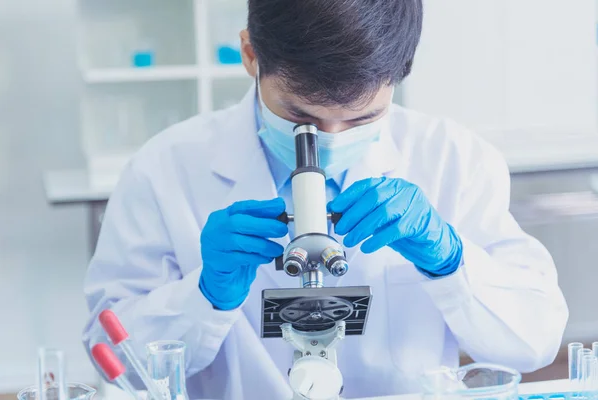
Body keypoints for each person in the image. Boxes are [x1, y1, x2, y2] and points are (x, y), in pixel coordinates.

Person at [82, 0, 568, 398]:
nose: (328, 138)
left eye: (361, 120)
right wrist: (205, 295)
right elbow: (114, 361)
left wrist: (450, 260)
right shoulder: (164, 170)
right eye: (300, 116)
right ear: (251, 54)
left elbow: (533, 343)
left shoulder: (454, 160)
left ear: (400, 71)